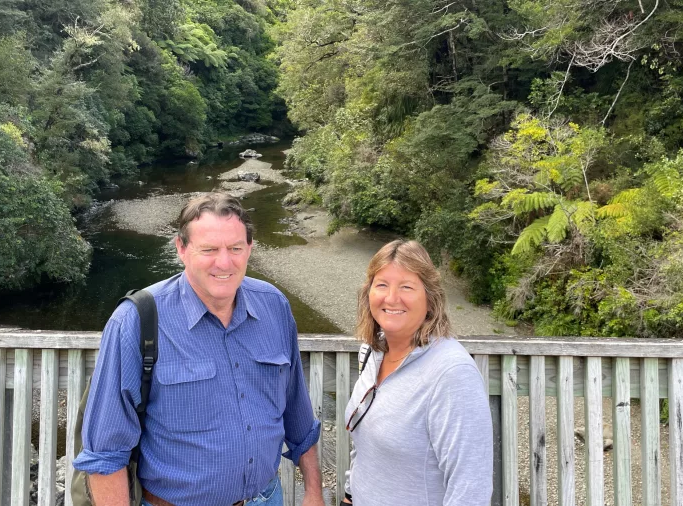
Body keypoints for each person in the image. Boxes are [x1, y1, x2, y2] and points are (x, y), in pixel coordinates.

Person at [73, 193, 324, 506]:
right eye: (209, 249)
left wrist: (314, 491)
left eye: (235, 248)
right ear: (181, 249)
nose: (224, 262)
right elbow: (105, 453)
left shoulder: (274, 305)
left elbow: (297, 409)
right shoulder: (136, 321)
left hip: (267, 498)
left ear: (250, 249)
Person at [342, 240, 493, 505]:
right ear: (368, 293)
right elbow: (365, 441)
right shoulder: (372, 352)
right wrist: (349, 494)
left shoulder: (451, 373)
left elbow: (470, 488)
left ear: (430, 299)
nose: (391, 298)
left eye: (406, 287)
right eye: (382, 285)